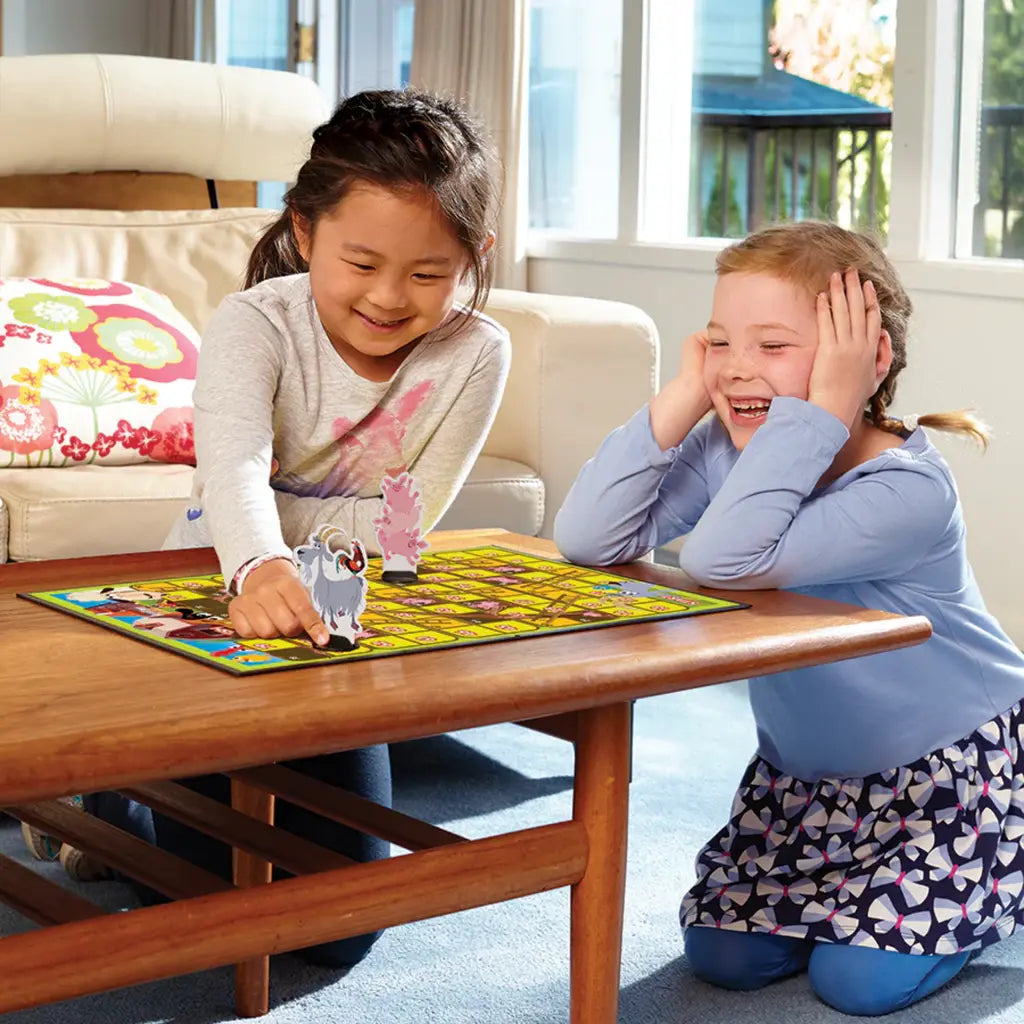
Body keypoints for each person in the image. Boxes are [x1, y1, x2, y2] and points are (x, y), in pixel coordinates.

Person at [27, 88, 511, 969]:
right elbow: (233, 472)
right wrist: (256, 566)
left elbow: (404, 529)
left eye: (429, 274)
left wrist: (281, 544)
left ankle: (116, 813)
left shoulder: (478, 353)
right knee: (248, 877)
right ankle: (116, 810)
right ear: (304, 229)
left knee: (339, 929)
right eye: (361, 263)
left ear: (473, 257)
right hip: (206, 597)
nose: (390, 298)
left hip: (342, 616)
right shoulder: (254, 323)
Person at [553, 220, 1024, 1016]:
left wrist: (827, 412)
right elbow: (589, 538)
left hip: (953, 775)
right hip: (808, 784)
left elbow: (721, 561)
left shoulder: (906, 490)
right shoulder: (736, 448)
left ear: (866, 361)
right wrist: (683, 393)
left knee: (857, 983)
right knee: (723, 958)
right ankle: (858, 902)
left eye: (773, 347)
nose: (739, 369)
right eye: (719, 343)